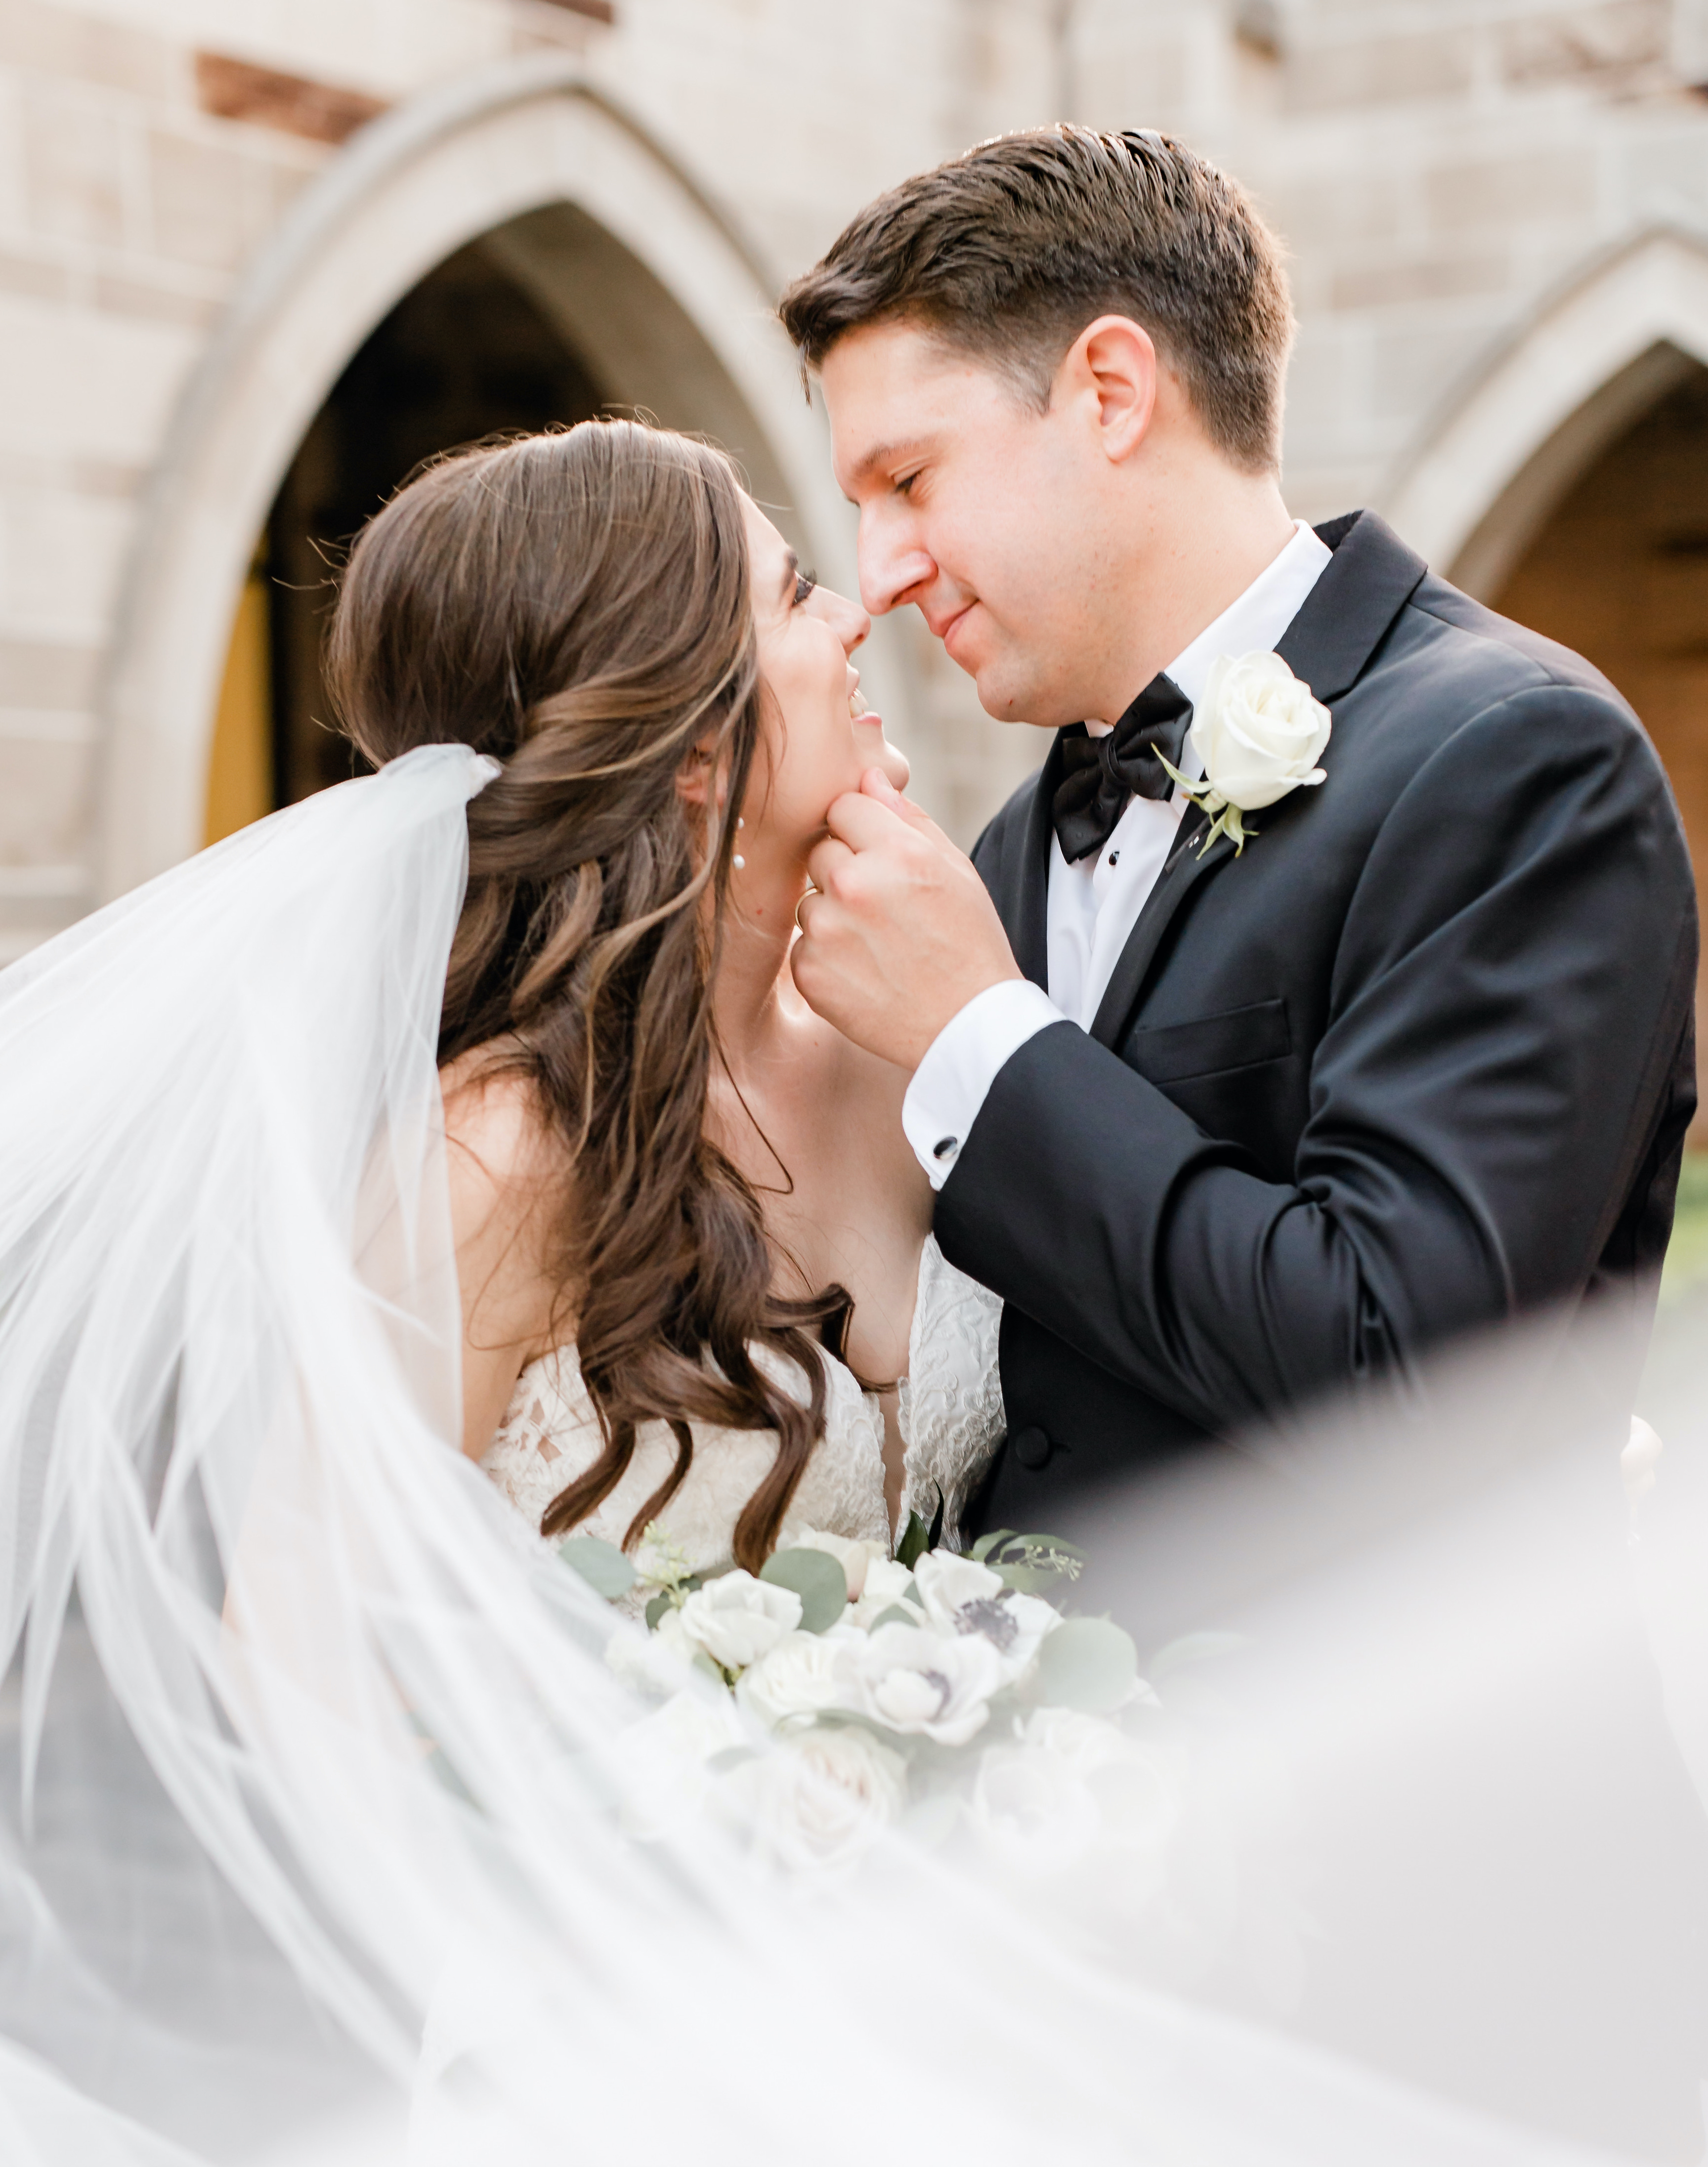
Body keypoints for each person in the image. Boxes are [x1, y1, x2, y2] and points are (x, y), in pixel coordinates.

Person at [778, 124, 1698, 1541]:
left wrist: (978, 1036)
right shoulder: (1011, 846)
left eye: (909, 483)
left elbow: (1403, 1379)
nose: (883, 574)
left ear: (1108, 391)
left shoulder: (1519, 763)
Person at [317, 422, 1005, 1570]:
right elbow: (302, 1648)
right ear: (693, 746)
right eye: (794, 600)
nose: (852, 616)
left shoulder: (905, 1044)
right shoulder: (498, 1152)